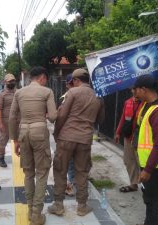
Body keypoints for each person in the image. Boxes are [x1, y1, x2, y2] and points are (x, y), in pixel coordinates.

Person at [48, 68, 105, 217]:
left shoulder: (72, 93)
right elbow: (100, 120)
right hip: (85, 139)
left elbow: (62, 116)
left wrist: (56, 133)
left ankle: (58, 205)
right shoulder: (98, 96)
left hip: (67, 137)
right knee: (82, 172)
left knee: (60, 170)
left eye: (72, 81)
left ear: (76, 80)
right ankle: (82, 206)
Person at [9, 66, 57, 225]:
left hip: (23, 133)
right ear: (43, 77)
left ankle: (30, 210)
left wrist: (15, 140)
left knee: (28, 173)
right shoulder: (47, 92)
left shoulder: (19, 92)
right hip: (39, 132)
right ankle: (37, 214)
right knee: (42, 172)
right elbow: (52, 118)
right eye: (46, 79)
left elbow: (12, 118)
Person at [132, 75, 158, 225]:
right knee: (149, 200)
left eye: (136, 89)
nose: (134, 92)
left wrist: (148, 170)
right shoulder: (148, 106)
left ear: (144, 89)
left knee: (153, 203)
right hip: (150, 163)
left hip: (155, 167)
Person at [114, 89, 143, 193]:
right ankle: (133, 183)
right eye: (133, 89)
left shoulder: (145, 103)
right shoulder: (128, 102)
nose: (134, 92)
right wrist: (118, 132)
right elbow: (123, 118)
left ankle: (145, 185)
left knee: (141, 162)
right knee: (128, 160)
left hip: (140, 138)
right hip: (128, 136)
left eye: (137, 89)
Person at [59, 73, 76, 197]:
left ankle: (72, 186)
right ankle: (77, 184)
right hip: (83, 134)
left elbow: (62, 115)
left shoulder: (71, 96)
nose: (66, 85)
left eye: (68, 82)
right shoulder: (91, 95)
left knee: (70, 161)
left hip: (70, 134)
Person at [0, 73, 18, 167]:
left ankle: (23, 157)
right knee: (3, 140)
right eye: (10, 81)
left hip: (17, 121)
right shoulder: (2, 95)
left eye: (13, 80)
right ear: (5, 82)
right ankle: (1, 158)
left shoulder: (19, 92)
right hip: (6, 122)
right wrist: (0, 123)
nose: (12, 82)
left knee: (21, 139)